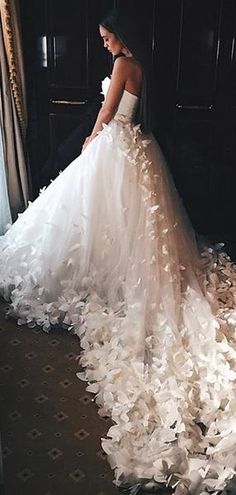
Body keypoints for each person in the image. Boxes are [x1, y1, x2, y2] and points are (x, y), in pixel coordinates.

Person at [0, 8, 236, 495]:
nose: (106, 45)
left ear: (121, 36)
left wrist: (89, 141)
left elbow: (107, 114)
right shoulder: (138, 64)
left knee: (100, 220)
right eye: (104, 39)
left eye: (107, 38)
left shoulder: (126, 64)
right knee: (119, 226)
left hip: (117, 145)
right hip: (137, 147)